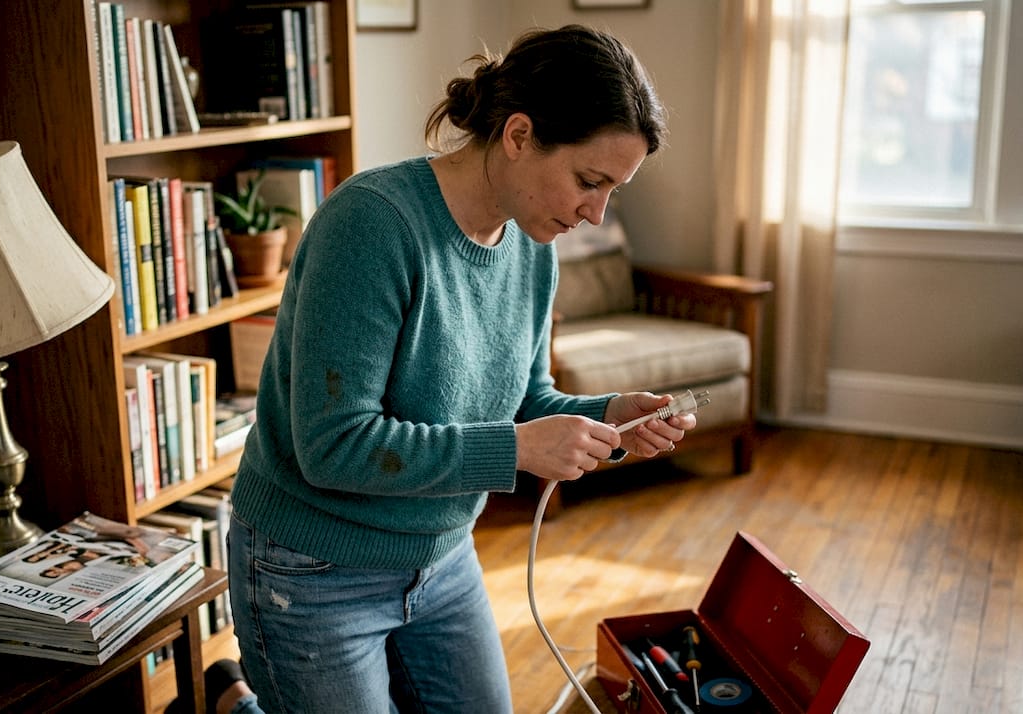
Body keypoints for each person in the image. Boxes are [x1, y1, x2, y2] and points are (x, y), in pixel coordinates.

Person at [223, 23, 694, 714]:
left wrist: (607, 414)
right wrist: (518, 450)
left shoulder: (534, 245)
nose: (595, 214)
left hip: (440, 557)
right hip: (313, 569)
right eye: (589, 182)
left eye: (612, 192)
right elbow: (332, 448)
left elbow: (523, 397)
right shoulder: (371, 225)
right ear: (518, 135)